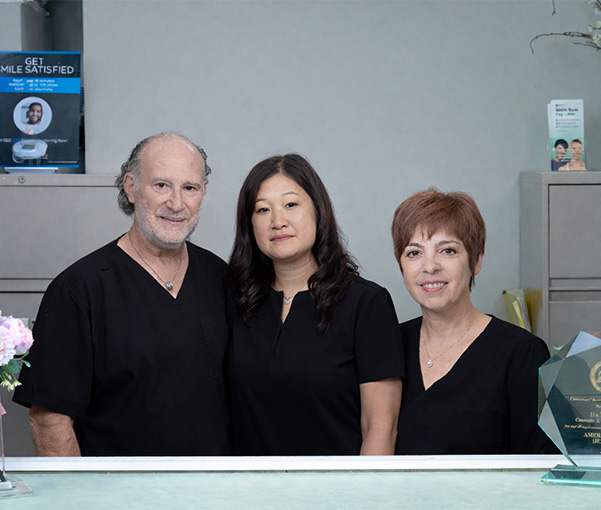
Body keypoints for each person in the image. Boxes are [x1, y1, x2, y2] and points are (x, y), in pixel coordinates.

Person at [13, 132, 231, 456]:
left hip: (216, 495)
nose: (176, 203)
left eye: (189, 188)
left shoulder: (222, 278)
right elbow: (49, 419)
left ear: (203, 193)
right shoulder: (78, 291)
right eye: (161, 185)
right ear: (130, 187)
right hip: (118, 497)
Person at [227, 154, 404, 456]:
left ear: (318, 211)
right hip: (248, 495)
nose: (277, 221)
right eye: (262, 209)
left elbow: (379, 427)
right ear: (250, 224)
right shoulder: (233, 301)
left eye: (291, 204)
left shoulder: (366, 304)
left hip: (335, 496)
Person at [391, 188, 557, 454]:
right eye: (414, 253)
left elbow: (537, 468)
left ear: (476, 260)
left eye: (447, 250)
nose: (429, 266)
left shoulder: (522, 354)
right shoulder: (387, 346)